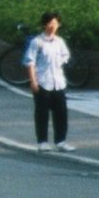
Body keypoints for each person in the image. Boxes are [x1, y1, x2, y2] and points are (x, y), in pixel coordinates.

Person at [24, 10, 73, 152]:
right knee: (42, 113)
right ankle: (42, 141)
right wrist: (33, 81)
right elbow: (30, 62)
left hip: (58, 82)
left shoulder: (60, 41)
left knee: (61, 112)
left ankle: (61, 141)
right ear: (44, 24)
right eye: (49, 23)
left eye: (55, 23)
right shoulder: (37, 42)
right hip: (43, 82)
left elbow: (65, 56)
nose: (52, 26)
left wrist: (60, 62)